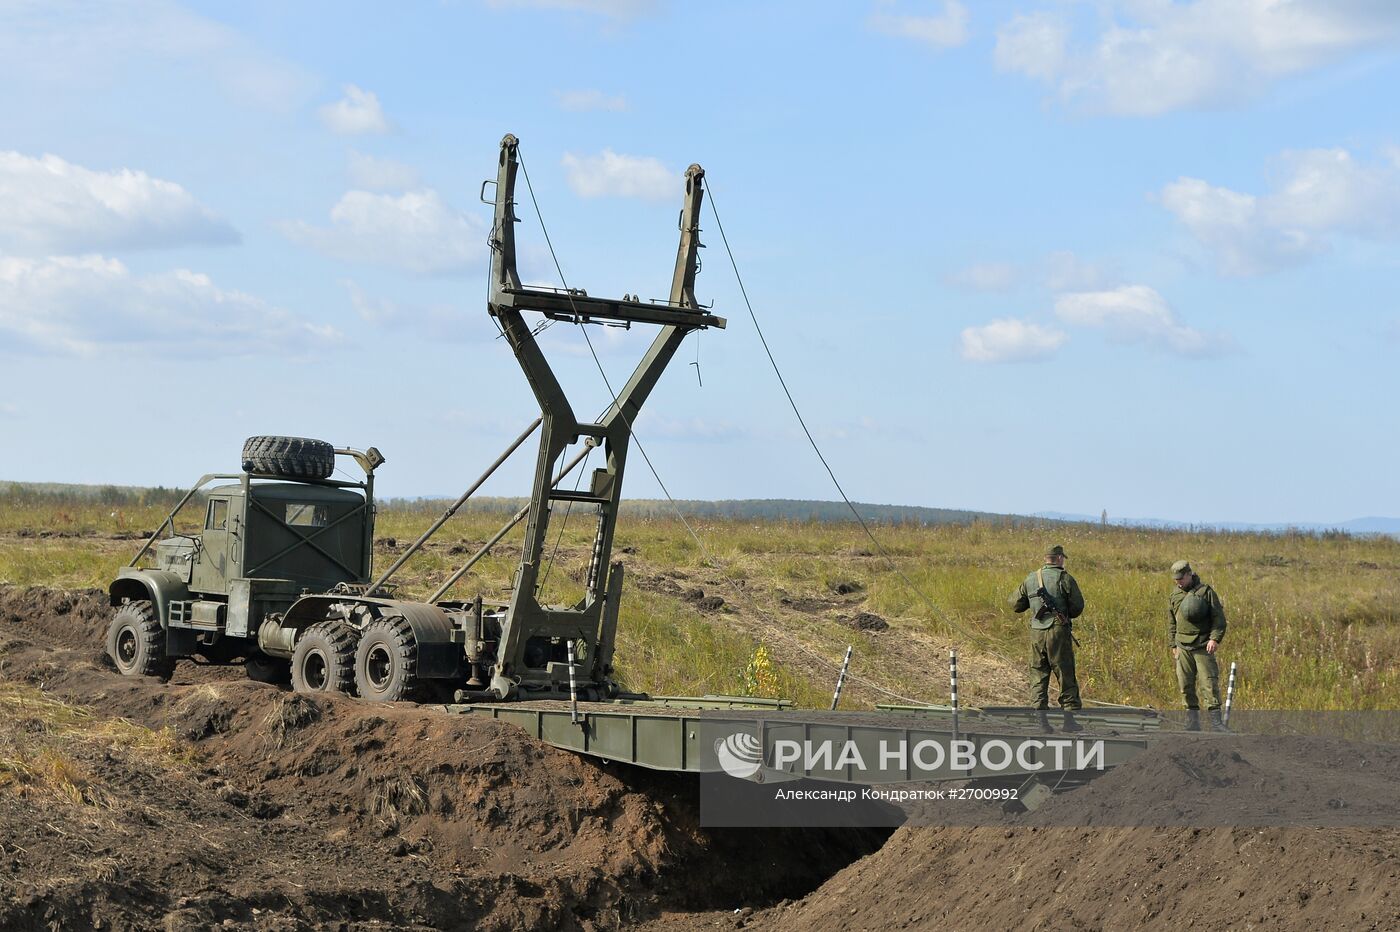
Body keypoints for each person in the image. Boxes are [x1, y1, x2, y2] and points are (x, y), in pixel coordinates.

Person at [1010, 545, 1085, 733]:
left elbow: (1015, 605)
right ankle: (1069, 722)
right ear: (1059, 558)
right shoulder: (1065, 578)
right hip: (1058, 632)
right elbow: (1077, 607)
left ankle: (1042, 723)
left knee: (1038, 674)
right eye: (1062, 558)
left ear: (1046, 558)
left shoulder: (1031, 578)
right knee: (1065, 673)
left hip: (1037, 633)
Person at [1169, 560, 1229, 732]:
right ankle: (1192, 722)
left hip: (1203, 645)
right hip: (1182, 646)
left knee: (1208, 683)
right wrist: (1173, 644)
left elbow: (1219, 619)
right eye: (1176, 579)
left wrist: (1214, 639)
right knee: (1185, 684)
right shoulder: (1174, 595)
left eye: (1181, 578)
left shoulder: (1206, 592)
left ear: (1189, 574)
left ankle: (1216, 723)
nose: (1178, 582)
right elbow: (1171, 622)